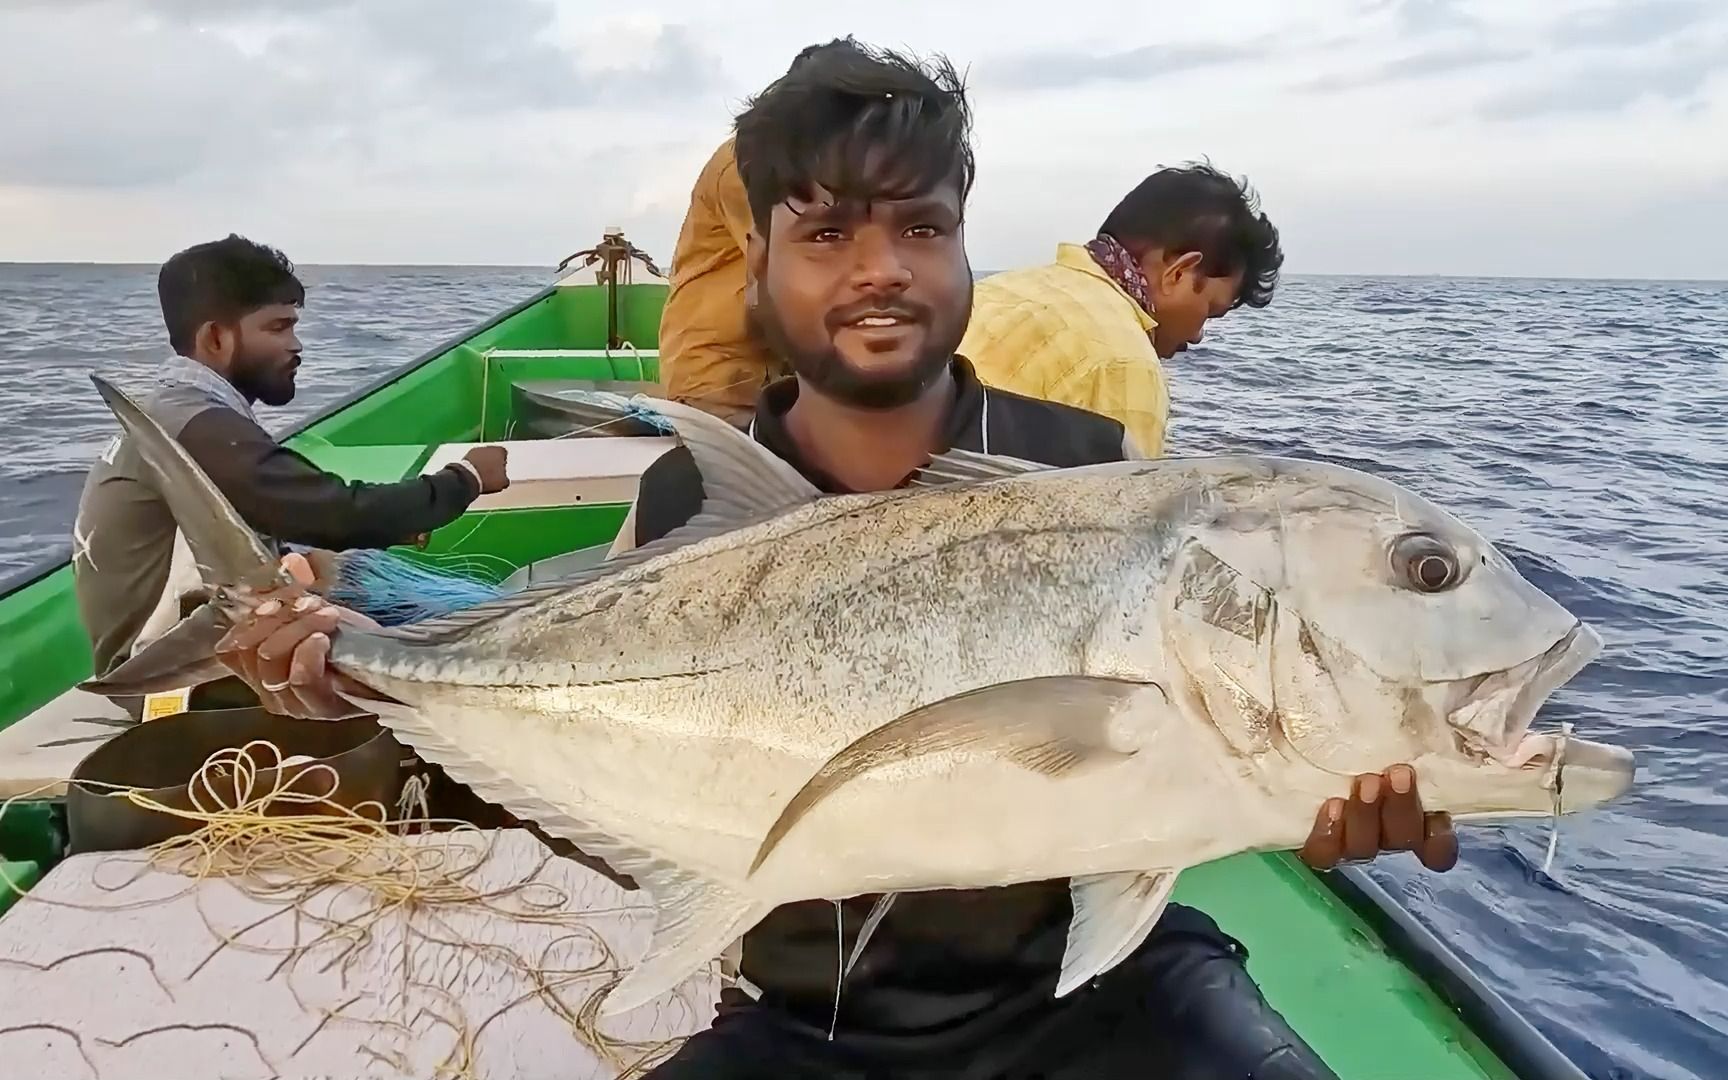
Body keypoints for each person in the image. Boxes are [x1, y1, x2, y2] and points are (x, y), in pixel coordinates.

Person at [212, 41, 1456, 1080]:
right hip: (813, 1027)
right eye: (826, 234)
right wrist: (355, 689)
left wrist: (1309, 792)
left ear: (967, 249)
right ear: (755, 264)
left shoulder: (1086, 471)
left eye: (923, 225)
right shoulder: (694, 493)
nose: (880, 267)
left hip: (1106, 991)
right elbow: (602, 783)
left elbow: (1173, 751)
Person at [71, 234, 510, 683]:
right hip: (164, 677)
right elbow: (336, 512)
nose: (296, 345)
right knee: (460, 661)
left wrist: (392, 525)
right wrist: (468, 477)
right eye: (278, 328)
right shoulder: (195, 425)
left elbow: (281, 513)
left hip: (184, 645)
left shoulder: (173, 410)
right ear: (216, 338)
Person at [957, 163, 1285, 457]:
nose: (1198, 336)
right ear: (1179, 274)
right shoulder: (1125, 365)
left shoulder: (996, 290)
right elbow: (1132, 516)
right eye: (1211, 311)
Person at [655, 38, 860, 426]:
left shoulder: (802, 166)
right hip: (720, 380)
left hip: (765, 377)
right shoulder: (746, 165)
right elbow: (773, 284)